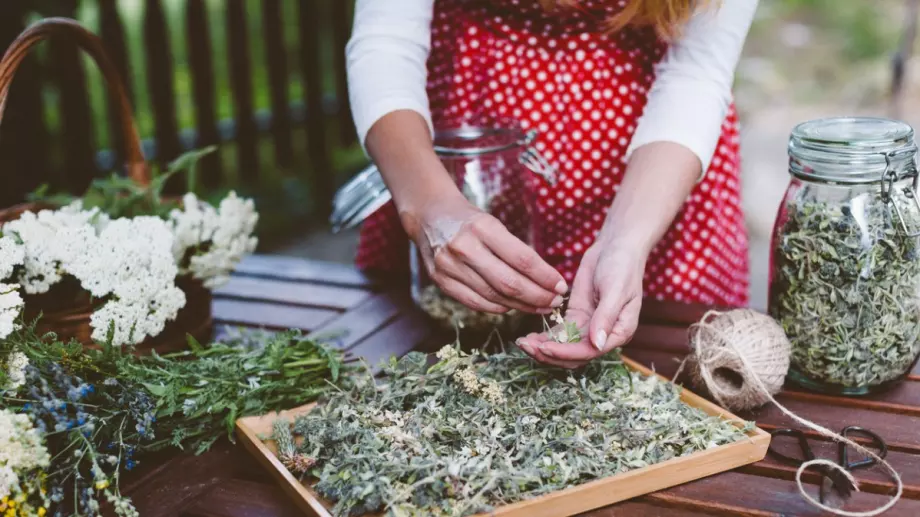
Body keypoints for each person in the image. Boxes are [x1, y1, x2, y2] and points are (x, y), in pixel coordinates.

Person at [346, 0, 758, 368]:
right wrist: (429, 204)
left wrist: (626, 241)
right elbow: (386, 41)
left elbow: (695, 77)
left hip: (653, 175)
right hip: (455, 161)